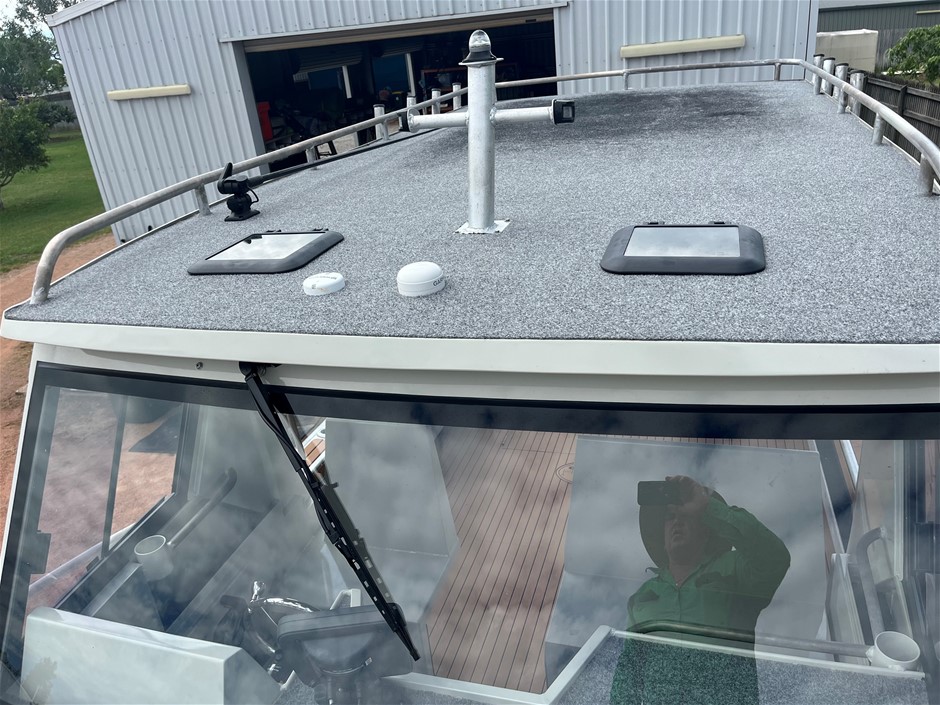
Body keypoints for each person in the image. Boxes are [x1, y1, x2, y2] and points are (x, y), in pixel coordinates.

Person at [611, 475, 790, 705]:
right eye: (670, 517)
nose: (677, 522)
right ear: (662, 538)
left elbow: (774, 559)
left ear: (706, 531)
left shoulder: (733, 569)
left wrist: (707, 507)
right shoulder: (643, 596)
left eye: (686, 516)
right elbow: (628, 670)